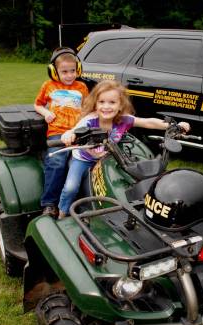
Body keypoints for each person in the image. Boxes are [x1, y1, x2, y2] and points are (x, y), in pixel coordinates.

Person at [58, 79, 190, 218]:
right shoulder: (89, 121)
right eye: (101, 102)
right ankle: (62, 212)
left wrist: (173, 126)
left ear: (120, 105)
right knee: (71, 187)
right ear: (95, 104)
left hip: (109, 157)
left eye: (112, 102)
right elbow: (73, 131)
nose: (106, 106)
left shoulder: (123, 120)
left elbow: (147, 122)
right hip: (84, 159)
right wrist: (68, 135)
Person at [34, 46, 89, 218]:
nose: (69, 75)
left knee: (82, 164)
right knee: (57, 163)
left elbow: (87, 108)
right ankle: (49, 203)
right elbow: (37, 104)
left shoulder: (81, 87)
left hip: (79, 132)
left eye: (73, 71)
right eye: (64, 71)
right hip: (57, 133)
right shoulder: (48, 86)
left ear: (78, 69)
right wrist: (46, 113)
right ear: (54, 71)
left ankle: (80, 202)